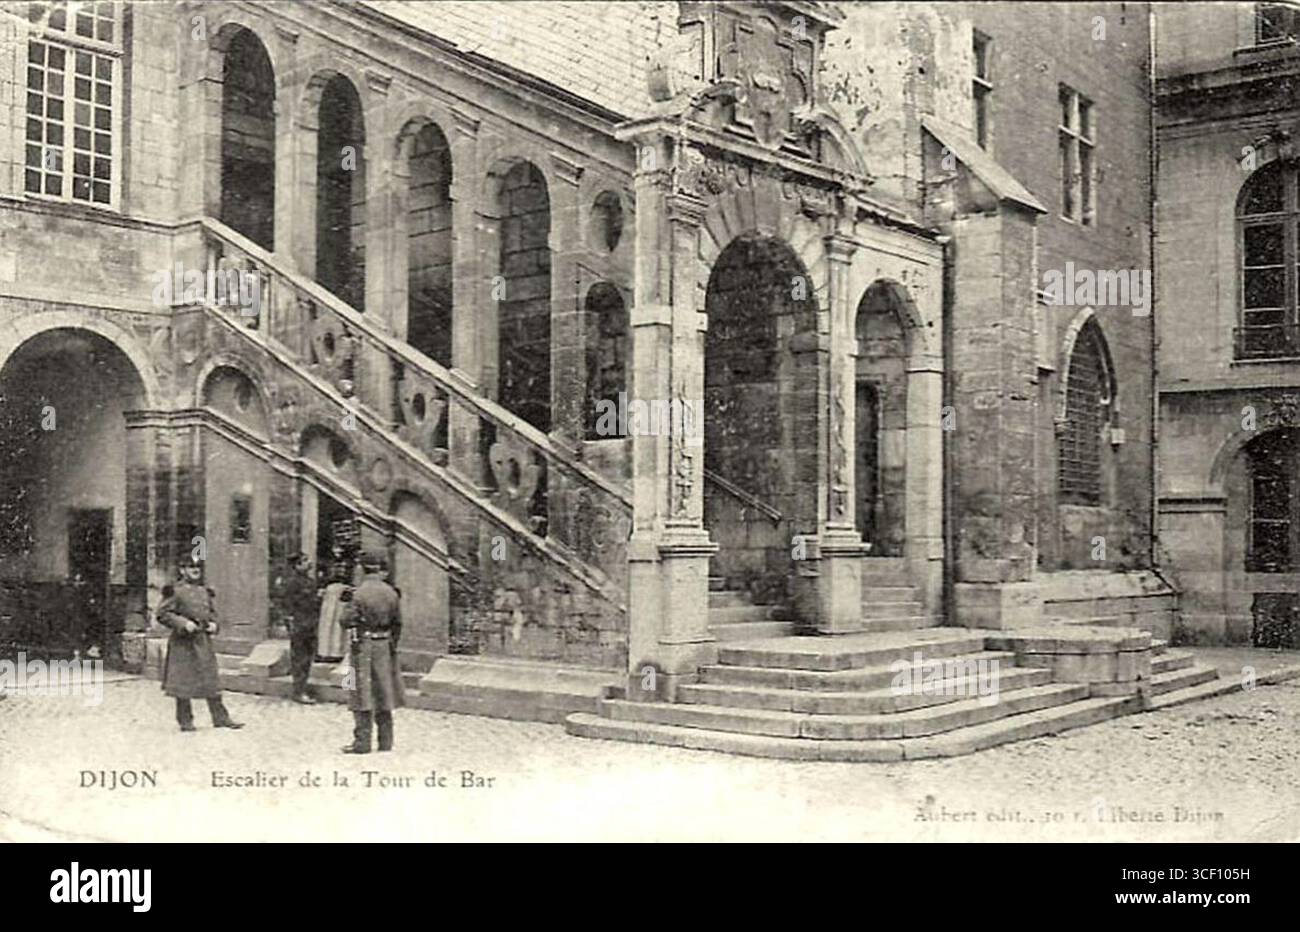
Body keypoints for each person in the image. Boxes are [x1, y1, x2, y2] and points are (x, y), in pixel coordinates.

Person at [156, 555, 244, 732]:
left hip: (202, 641)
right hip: (183, 643)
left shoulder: (205, 591)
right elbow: (162, 613)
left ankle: (221, 718)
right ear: (182, 570)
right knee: (183, 683)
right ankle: (185, 721)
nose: (195, 570)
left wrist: (214, 624)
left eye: (198, 567)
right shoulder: (174, 591)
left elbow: (212, 613)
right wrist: (183, 623)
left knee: (211, 680)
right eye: (190, 567)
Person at [338, 550, 404, 754]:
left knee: (361, 693)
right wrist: (390, 643)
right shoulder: (391, 592)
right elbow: (398, 624)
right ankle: (386, 742)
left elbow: (345, 621)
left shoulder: (358, 593)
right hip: (384, 645)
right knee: (384, 693)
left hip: (363, 646)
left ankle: (362, 742)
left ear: (362, 568)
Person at [280, 554, 319, 704]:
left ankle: (302, 688)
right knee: (300, 658)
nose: (309, 563)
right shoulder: (291, 582)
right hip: (299, 623)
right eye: (305, 561)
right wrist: (290, 621)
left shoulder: (309, 581)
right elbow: (287, 604)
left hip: (310, 623)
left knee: (307, 658)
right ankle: (299, 691)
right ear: (297, 565)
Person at [315, 544, 353, 662]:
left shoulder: (349, 564)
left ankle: (338, 651)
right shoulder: (328, 564)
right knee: (327, 622)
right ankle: (325, 651)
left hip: (341, 593)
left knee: (337, 624)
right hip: (330, 594)